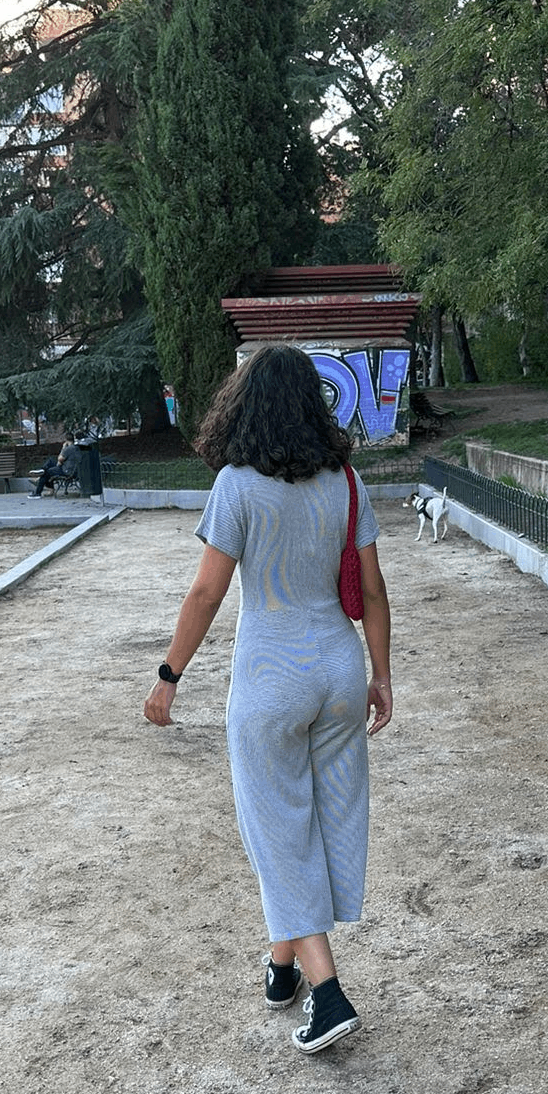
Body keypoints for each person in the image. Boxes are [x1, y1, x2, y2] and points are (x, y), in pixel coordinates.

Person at [142, 344, 393, 1056]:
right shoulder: (345, 481)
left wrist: (169, 675)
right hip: (339, 669)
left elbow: (206, 592)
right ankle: (282, 967)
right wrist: (381, 675)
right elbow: (373, 592)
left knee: (277, 829)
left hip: (270, 676)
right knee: (324, 816)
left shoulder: (237, 484)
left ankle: (328, 990)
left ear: (244, 404)